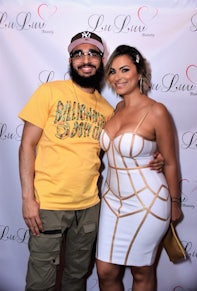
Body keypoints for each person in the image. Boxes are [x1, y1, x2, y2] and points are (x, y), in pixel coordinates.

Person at [18, 32, 164, 291]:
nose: (86, 59)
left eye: (92, 53)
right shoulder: (49, 92)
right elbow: (27, 145)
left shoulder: (108, 110)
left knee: (76, 278)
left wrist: (156, 156)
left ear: (101, 60)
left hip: (90, 208)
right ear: (71, 60)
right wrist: (28, 199)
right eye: (78, 54)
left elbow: (122, 149)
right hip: (48, 205)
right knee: (41, 281)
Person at [96, 45, 183, 291]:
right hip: (112, 203)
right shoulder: (116, 109)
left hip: (148, 201)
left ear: (140, 72)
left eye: (125, 69)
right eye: (112, 71)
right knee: (105, 271)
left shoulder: (157, 111)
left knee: (142, 271)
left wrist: (175, 204)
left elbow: (171, 161)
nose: (118, 77)